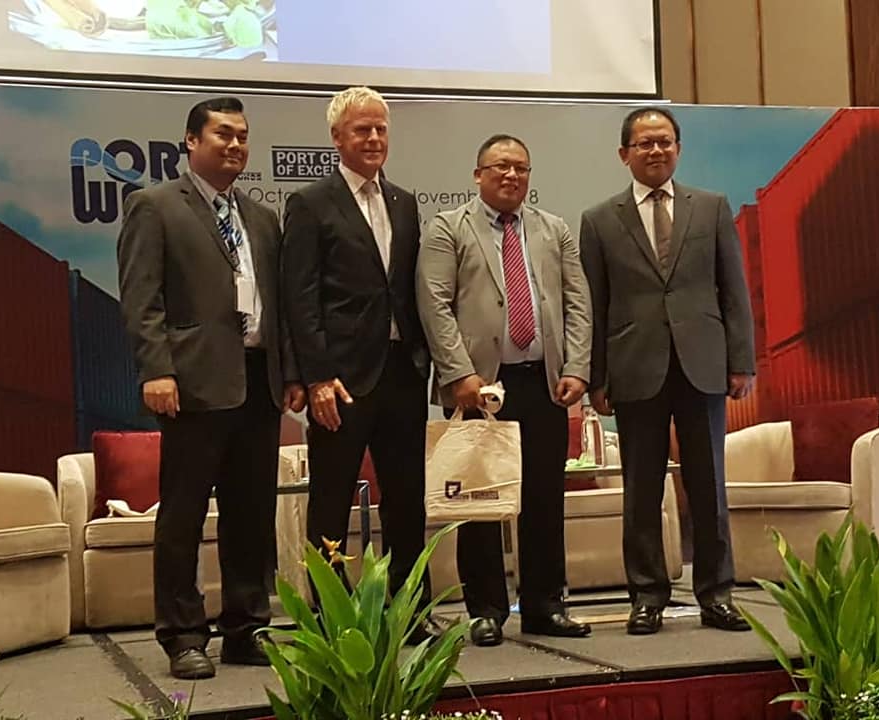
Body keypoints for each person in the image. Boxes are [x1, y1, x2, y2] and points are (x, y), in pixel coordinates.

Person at [118, 97, 306, 679]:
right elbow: (142, 297)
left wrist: (291, 374)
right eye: (223, 134)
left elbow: (280, 305)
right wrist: (156, 369)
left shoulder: (262, 217)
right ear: (191, 141)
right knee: (184, 515)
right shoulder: (155, 206)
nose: (235, 145)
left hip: (258, 381)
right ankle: (183, 635)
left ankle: (246, 628)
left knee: (250, 514)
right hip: (192, 382)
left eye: (242, 136)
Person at [579, 107, 755, 635]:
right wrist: (596, 378)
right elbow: (593, 305)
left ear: (678, 148)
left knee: (709, 485)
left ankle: (716, 594)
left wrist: (741, 361)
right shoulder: (599, 219)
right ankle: (647, 596)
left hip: (702, 364)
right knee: (641, 489)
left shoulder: (711, 207)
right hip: (635, 367)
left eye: (664, 141)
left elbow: (734, 290)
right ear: (624, 154)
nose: (655, 150)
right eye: (644, 143)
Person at [416, 133, 593, 647]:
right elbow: (434, 305)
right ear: (478, 175)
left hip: (544, 382)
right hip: (480, 386)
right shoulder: (448, 228)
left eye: (521, 167)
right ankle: (486, 610)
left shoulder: (554, 229)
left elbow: (578, 303)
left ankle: (544, 605)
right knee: (479, 500)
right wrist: (459, 374)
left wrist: (577, 367)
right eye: (500, 167)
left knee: (544, 497)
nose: (512, 175)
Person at [281, 87, 433, 639]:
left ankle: (412, 612)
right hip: (341, 380)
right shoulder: (310, 203)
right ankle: (332, 620)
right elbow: (300, 297)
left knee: (407, 501)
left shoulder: (404, 202)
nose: (373, 138)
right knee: (331, 500)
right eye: (361, 130)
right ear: (337, 138)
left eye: (380, 129)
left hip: (402, 372)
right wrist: (316, 376)